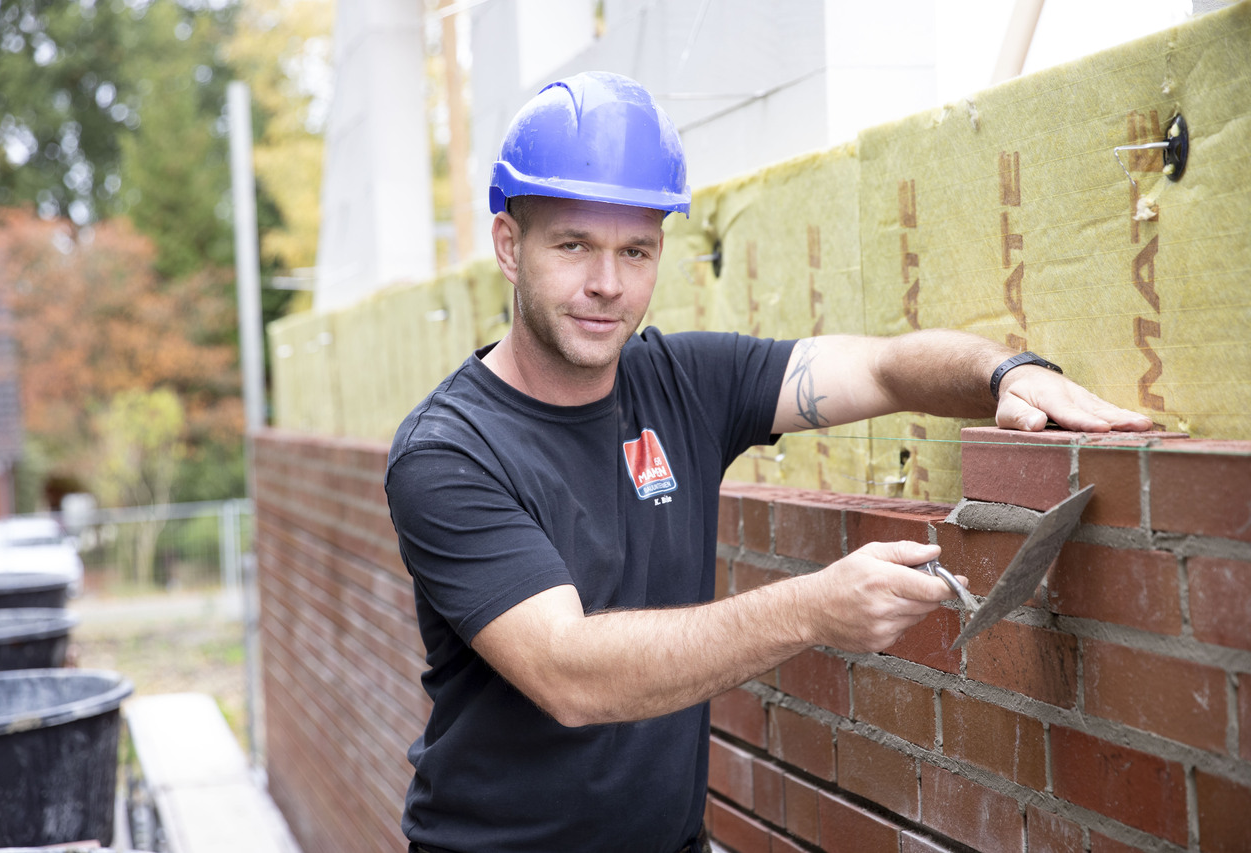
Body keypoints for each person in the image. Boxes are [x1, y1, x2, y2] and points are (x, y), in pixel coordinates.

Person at [384, 71, 1152, 853]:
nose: (607, 284)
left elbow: (884, 368)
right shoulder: (449, 452)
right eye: (574, 244)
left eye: (636, 250)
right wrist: (814, 608)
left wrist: (1008, 371)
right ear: (510, 246)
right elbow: (569, 674)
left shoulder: (685, 382)